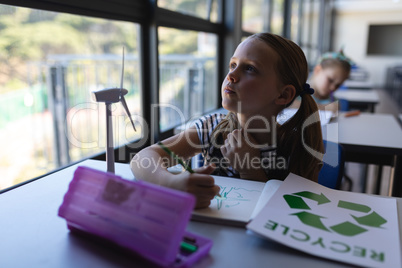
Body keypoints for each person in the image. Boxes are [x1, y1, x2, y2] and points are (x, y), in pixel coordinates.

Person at [130, 33, 324, 209]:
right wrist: (171, 183)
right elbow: (143, 158)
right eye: (233, 65)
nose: (231, 75)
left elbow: (301, 211)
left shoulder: (299, 143)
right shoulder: (211, 127)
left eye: (250, 68)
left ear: (283, 94)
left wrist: (251, 170)